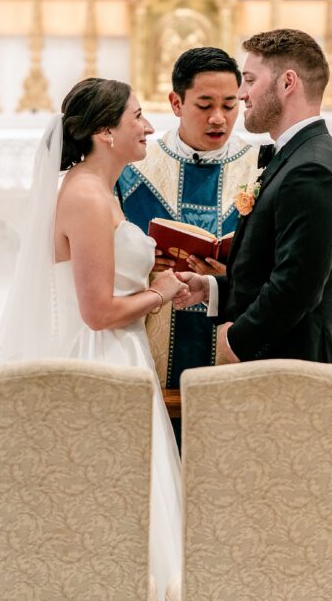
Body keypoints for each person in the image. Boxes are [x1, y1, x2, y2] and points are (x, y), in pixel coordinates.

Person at [0, 78, 187, 600]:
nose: (148, 127)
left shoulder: (98, 190)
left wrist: (150, 274)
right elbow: (97, 312)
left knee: (117, 503)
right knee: (100, 500)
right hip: (99, 363)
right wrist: (160, 293)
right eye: (137, 117)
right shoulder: (86, 198)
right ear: (104, 131)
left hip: (119, 357)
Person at [176, 29, 332, 365]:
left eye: (249, 79)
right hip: (281, 368)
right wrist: (211, 287)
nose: (242, 94)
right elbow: (271, 271)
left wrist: (238, 340)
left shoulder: (312, 170)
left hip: (297, 371)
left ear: (288, 83)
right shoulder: (298, 156)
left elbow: (295, 286)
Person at [116, 47, 261, 440]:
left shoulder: (263, 166)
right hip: (151, 341)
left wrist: (232, 270)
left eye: (230, 105)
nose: (219, 118)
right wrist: (146, 262)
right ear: (176, 103)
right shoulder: (133, 169)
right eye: (205, 105)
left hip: (232, 346)